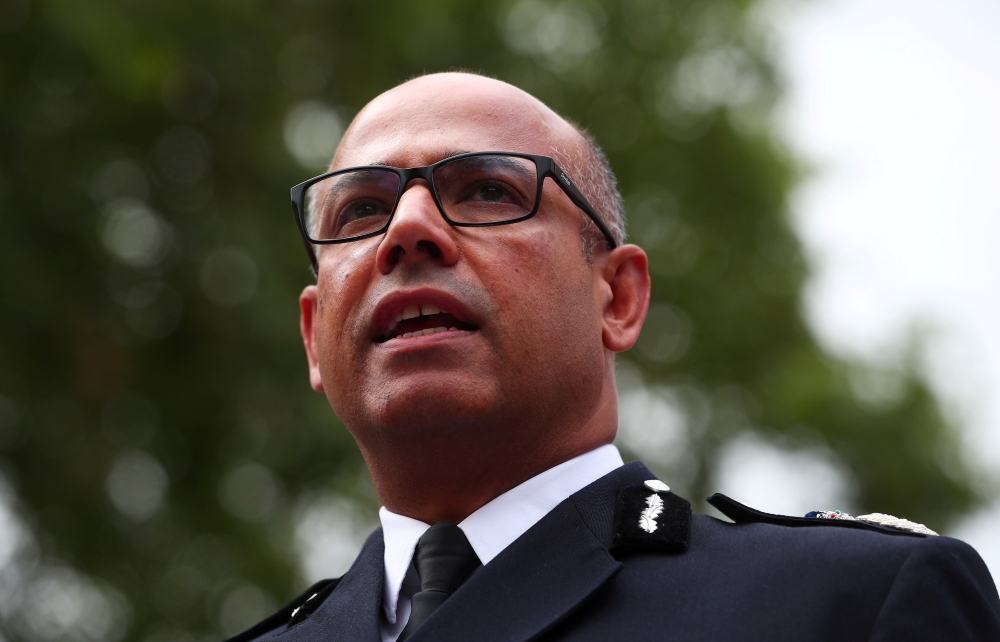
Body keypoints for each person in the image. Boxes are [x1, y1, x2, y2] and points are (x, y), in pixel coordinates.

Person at [228, 72, 1000, 642]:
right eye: (361, 209)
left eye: (488, 191)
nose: (409, 227)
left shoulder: (846, 605)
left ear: (618, 299)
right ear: (314, 336)